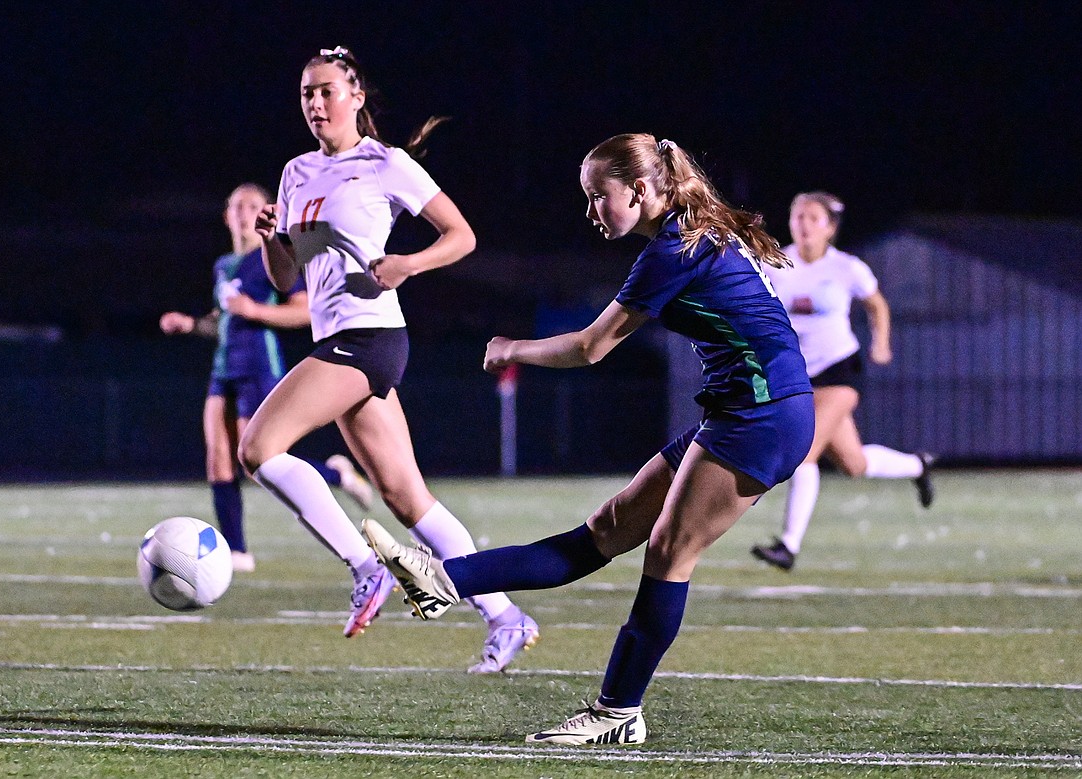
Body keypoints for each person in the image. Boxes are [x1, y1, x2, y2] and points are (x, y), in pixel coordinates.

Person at [363, 133, 815, 744]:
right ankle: (445, 580)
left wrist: (510, 349)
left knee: (667, 555)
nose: (590, 210)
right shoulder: (687, 231)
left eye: (597, 196)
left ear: (639, 189)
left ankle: (617, 713)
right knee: (605, 531)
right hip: (745, 412)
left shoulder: (673, 248)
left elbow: (590, 347)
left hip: (764, 416)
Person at [237, 46, 537, 672]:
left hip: (371, 336)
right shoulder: (295, 173)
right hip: (335, 339)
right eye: (305, 94)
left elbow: (462, 235)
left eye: (325, 91)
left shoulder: (385, 164)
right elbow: (287, 276)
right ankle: (506, 616)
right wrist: (273, 240)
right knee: (407, 499)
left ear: (356, 98)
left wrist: (409, 264)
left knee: (257, 449)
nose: (315, 103)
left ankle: (366, 565)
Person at [160, 182, 374, 573]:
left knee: (257, 461)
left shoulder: (271, 258)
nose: (243, 212)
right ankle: (236, 551)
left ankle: (336, 472)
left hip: (259, 365)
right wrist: (191, 324)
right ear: (226, 214)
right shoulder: (223, 265)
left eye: (252, 205)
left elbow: (303, 311)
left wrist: (254, 310)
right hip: (224, 367)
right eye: (236, 205)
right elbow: (223, 318)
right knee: (217, 459)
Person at [750, 192, 934, 572]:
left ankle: (788, 546)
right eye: (797, 216)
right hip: (797, 373)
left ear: (830, 228)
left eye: (813, 218)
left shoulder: (847, 268)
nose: (803, 224)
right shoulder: (777, 264)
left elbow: (877, 305)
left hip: (840, 371)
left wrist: (881, 343)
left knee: (804, 450)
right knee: (854, 464)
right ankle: (918, 466)